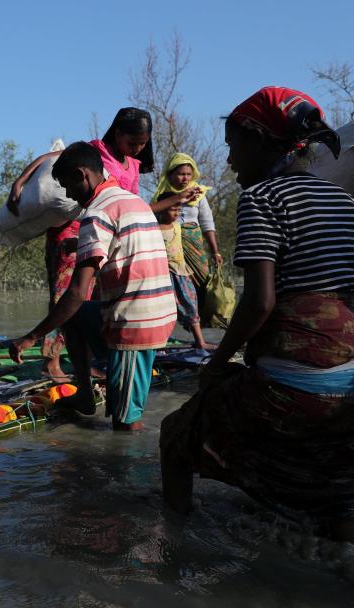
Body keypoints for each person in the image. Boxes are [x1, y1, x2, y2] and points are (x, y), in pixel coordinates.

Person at [160, 87, 354, 539]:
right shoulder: (344, 202)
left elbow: (260, 302)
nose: (229, 161)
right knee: (339, 486)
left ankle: (172, 553)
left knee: (175, 434)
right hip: (349, 383)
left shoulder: (263, 198)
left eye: (233, 147)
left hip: (294, 380)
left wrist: (217, 361)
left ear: (262, 141)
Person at [9, 142, 176, 431]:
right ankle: (85, 394)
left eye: (67, 186)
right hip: (159, 313)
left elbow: (75, 293)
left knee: (125, 425)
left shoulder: (96, 214)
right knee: (77, 315)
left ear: (81, 175)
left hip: (136, 324)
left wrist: (31, 336)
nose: (68, 194)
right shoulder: (132, 200)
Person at [7, 109, 154, 381]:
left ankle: (85, 363)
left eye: (142, 144)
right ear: (118, 133)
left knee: (94, 300)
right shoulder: (94, 150)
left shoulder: (133, 165)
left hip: (105, 238)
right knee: (66, 296)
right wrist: (21, 179)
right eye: (132, 142)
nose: (137, 149)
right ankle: (51, 362)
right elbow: (53, 159)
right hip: (73, 232)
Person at [150, 152, 222, 306]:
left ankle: (202, 312)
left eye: (189, 174)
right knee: (174, 278)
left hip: (194, 243)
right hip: (170, 245)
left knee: (202, 277)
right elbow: (151, 218)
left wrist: (215, 251)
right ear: (170, 174)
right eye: (181, 174)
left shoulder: (198, 194)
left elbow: (207, 222)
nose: (186, 178)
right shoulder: (161, 196)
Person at [154, 193, 210, 349]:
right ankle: (159, 341)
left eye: (178, 210)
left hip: (182, 273)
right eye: (172, 210)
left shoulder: (179, 227)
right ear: (162, 210)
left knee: (191, 305)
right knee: (162, 309)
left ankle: (200, 341)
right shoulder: (155, 229)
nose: (177, 213)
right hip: (164, 276)